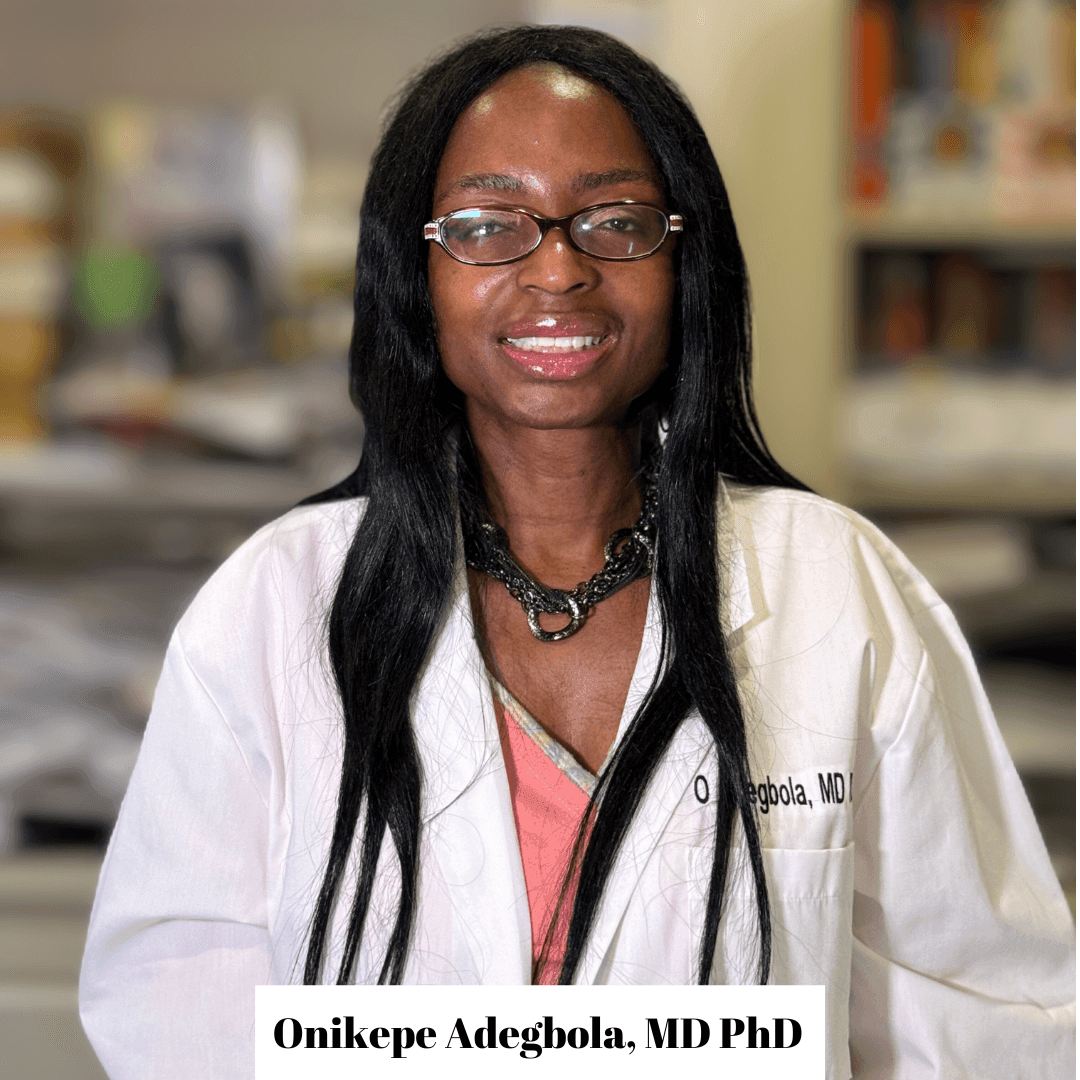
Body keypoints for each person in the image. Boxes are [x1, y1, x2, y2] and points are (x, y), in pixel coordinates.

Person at [79, 25, 1074, 1079]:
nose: (558, 267)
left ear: (684, 259)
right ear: (412, 271)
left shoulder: (834, 587)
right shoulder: (276, 606)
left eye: (614, 220)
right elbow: (174, 1009)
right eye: (487, 224)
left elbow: (990, 1011)